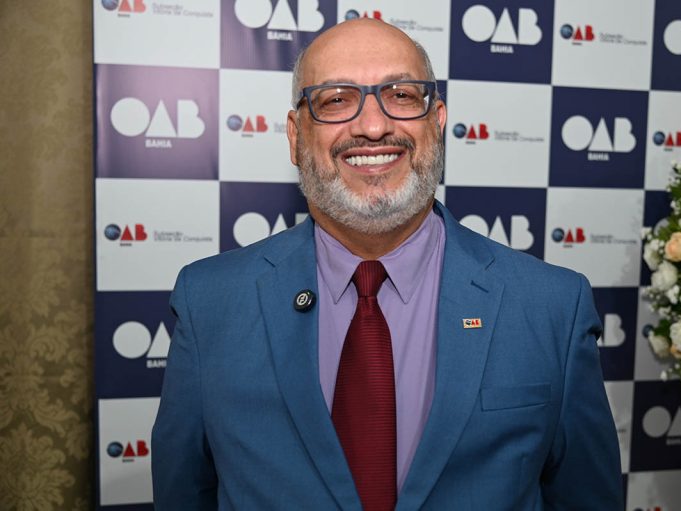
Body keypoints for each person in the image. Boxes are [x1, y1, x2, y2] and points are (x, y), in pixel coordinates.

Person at [152, 18, 622, 510]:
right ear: (295, 136)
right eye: (336, 100)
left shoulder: (551, 307)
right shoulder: (210, 303)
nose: (373, 127)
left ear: (437, 122)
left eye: (401, 95)